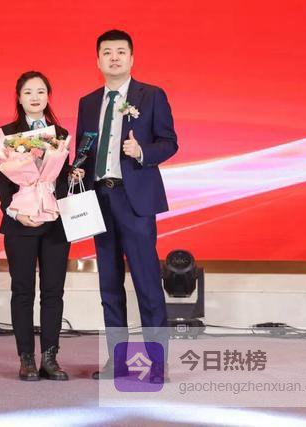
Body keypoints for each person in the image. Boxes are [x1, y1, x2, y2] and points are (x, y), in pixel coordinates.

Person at [73, 30, 178, 381]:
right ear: (98, 60)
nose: (114, 57)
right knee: (109, 284)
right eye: (107, 52)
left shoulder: (152, 95)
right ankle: (117, 361)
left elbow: (170, 142)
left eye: (121, 51)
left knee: (147, 283)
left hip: (135, 202)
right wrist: (77, 169)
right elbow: (85, 148)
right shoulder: (88, 102)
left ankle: (156, 363)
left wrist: (142, 151)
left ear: (132, 58)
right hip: (100, 198)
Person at [0, 71, 71, 381]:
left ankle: (50, 357)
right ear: (19, 97)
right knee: (23, 290)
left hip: (55, 222)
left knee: (53, 291)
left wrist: (73, 177)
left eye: (41, 91)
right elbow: (3, 183)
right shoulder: (7, 134)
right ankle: (26, 358)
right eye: (28, 92)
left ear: (48, 96)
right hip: (20, 223)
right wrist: (15, 213)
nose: (35, 97)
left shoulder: (61, 134)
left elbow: (63, 180)